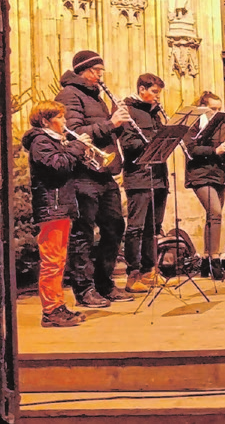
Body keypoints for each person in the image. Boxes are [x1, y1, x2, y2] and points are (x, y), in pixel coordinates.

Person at [55, 50, 134, 307]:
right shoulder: (69, 95)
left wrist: (120, 124)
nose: (101, 76)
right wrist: (111, 123)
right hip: (83, 173)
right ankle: (84, 289)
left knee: (114, 226)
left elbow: (103, 131)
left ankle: (104, 282)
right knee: (83, 233)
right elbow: (74, 133)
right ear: (83, 71)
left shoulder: (94, 96)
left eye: (102, 71)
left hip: (103, 171)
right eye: (96, 71)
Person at [22, 101, 89, 326]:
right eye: (60, 117)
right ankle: (51, 311)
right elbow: (59, 166)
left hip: (60, 206)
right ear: (45, 121)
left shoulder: (54, 141)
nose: (65, 121)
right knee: (52, 261)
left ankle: (57, 306)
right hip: (51, 207)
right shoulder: (40, 142)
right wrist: (77, 146)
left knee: (58, 260)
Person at [119, 73, 168, 293]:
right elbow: (128, 144)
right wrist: (151, 142)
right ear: (142, 89)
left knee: (153, 227)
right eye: (154, 92)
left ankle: (150, 271)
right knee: (136, 227)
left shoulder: (154, 112)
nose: (157, 97)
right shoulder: (128, 111)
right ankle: (133, 274)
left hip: (158, 175)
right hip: (138, 176)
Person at [184, 91, 225, 280]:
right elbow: (191, 149)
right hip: (199, 174)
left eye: (219, 109)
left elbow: (223, 151)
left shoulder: (222, 126)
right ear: (202, 108)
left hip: (218, 173)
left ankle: (205, 262)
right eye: (213, 109)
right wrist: (216, 150)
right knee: (215, 212)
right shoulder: (192, 124)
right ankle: (215, 260)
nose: (217, 113)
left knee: (212, 218)